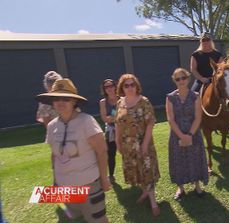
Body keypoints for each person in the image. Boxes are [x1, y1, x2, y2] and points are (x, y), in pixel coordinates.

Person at [36, 78, 111, 223]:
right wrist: (55, 181)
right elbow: (55, 155)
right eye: (56, 98)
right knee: (73, 220)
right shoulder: (52, 126)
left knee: (97, 220)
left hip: (89, 185)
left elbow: (102, 152)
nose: (60, 102)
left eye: (66, 98)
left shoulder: (86, 121)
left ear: (74, 101)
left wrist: (104, 179)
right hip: (65, 186)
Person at [115, 74, 161, 216]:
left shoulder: (144, 101)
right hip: (128, 145)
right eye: (126, 85)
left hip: (143, 143)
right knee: (136, 170)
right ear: (122, 88)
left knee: (147, 170)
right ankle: (144, 192)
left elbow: (150, 123)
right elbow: (117, 124)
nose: (129, 88)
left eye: (132, 84)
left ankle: (153, 202)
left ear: (137, 86)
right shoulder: (119, 103)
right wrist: (117, 142)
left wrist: (145, 144)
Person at [165, 68, 209, 201]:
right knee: (178, 160)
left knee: (195, 158)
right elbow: (170, 119)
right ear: (174, 81)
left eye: (183, 78)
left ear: (188, 79)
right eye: (177, 79)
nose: (181, 81)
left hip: (193, 133)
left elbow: (198, 117)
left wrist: (189, 134)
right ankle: (181, 188)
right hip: (176, 134)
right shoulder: (170, 97)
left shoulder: (195, 96)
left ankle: (197, 185)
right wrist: (181, 135)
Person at [99, 79, 119, 184]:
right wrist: (115, 117)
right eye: (106, 87)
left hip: (123, 129)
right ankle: (111, 175)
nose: (109, 88)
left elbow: (123, 116)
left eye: (111, 86)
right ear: (104, 90)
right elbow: (104, 118)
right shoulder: (103, 102)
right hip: (110, 131)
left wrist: (112, 117)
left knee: (127, 152)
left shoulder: (121, 99)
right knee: (111, 154)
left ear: (115, 86)